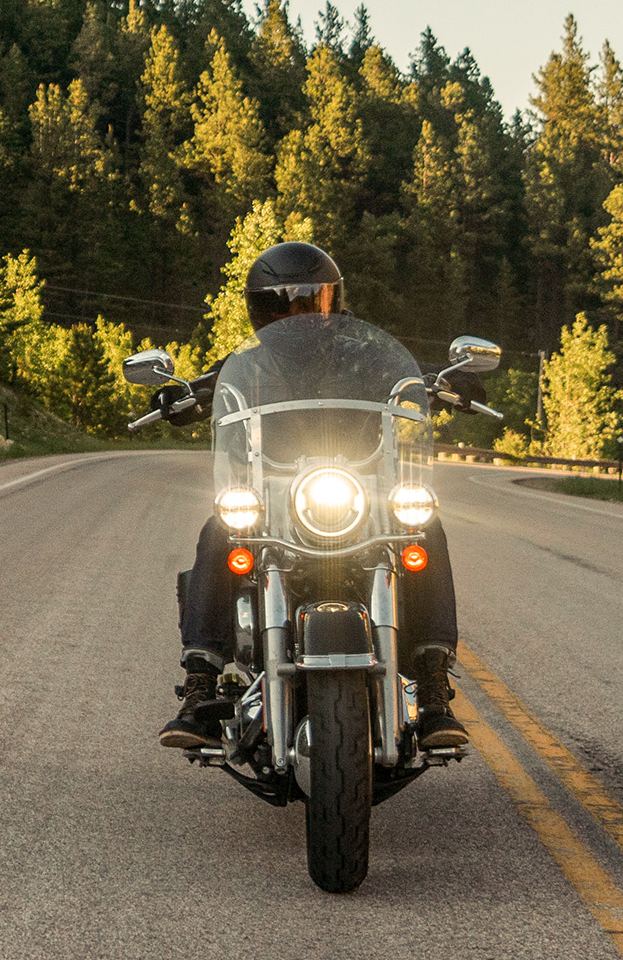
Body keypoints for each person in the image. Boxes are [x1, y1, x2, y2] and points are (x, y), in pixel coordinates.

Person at [151, 240, 466, 758]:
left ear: (334, 301)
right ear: (263, 310)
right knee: (218, 529)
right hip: (274, 493)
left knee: (422, 525)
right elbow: (209, 387)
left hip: (360, 487)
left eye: (314, 302)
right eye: (286, 304)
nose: (302, 315)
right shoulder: (246, 366)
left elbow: (410, 377)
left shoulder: (365, 355)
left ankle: (433, 686)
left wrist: (445, 383)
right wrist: (177, 397)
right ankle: (200, 683)